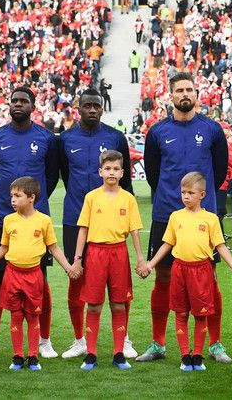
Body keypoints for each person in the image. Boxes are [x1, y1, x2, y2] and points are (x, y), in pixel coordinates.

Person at [141, 72, 230, 364]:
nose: (184, 94)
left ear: (196, 93)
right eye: (179, 90)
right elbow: (153, 174)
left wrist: (201, 202)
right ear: (170, 95)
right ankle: (158, 343)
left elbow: (219, 172)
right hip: (166, 213)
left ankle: (215, 344)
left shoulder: (212, 129)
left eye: (189, 89)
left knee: (210, 278)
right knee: (163, 277)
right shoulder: (157, 131)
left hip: (203, 216)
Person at [0, 85, 59, 359]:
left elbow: (51, 177)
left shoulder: (47, 138)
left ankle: (44, 341)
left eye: (23, 101)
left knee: (41, 280)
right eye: (14, 100)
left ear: (33, 106)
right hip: (3, 218)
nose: (18, 104)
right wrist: (13, 204)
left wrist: (32, 205)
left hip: (36, 220)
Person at [138, 172, 232, 371]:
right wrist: (150, 265)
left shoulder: (211, 219)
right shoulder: (175, 217)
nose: (186, 196)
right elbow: (167, 244)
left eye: (190, 193)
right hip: (179, 269)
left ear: (202, 194)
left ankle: (198, 356)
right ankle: (185, 356)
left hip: (202, 271)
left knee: (201, 315)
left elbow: (220, 246)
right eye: (183, 192)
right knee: (181, 313)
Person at [58, 90, 135, 359]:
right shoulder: (65, 139)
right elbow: (62, 173)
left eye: (96, 106)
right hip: (75, 217)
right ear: (78, 108)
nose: (92, 110)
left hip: (110, 222)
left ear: (102, 109)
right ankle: (80, 339)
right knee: (76, 276)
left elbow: (126, 179)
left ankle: (124, 338)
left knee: (118, 283)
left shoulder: (115, 137)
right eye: (87, 105)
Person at [0, 176, 76, 372]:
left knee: (33, 316)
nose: (12, 199)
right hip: (12, 274)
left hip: (34, 275)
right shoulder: (8, 220)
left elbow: (54, 248)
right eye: (11, 196)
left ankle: (33, 356)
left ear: (31, 198)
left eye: (17, 195)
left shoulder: (44, 221)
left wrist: (68, 267)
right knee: (16, 315)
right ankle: (18, 356)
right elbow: (3, 247)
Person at [72, 150, 148, 371]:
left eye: (116, 169)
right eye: (107, 168)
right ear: (100, 171)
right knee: (94, 305)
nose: (111, 172)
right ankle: (91, 354)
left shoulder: (128, 199)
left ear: (123, 172)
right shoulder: (92, 197)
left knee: (118, 304)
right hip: (95, 254)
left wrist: (141, 259)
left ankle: (118, 353)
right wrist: (78, 259)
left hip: (119, 253)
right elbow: (83, 230)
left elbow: (134, 231)